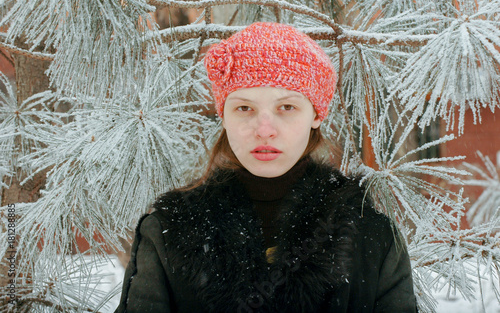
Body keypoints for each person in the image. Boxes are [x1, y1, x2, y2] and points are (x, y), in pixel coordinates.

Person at [115, 22, 417, 313]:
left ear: (316, 115)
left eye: (287, 107)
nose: (264, 130)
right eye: (244, 108)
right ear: (224, 116)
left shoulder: (372, 236)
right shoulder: (169, 232)